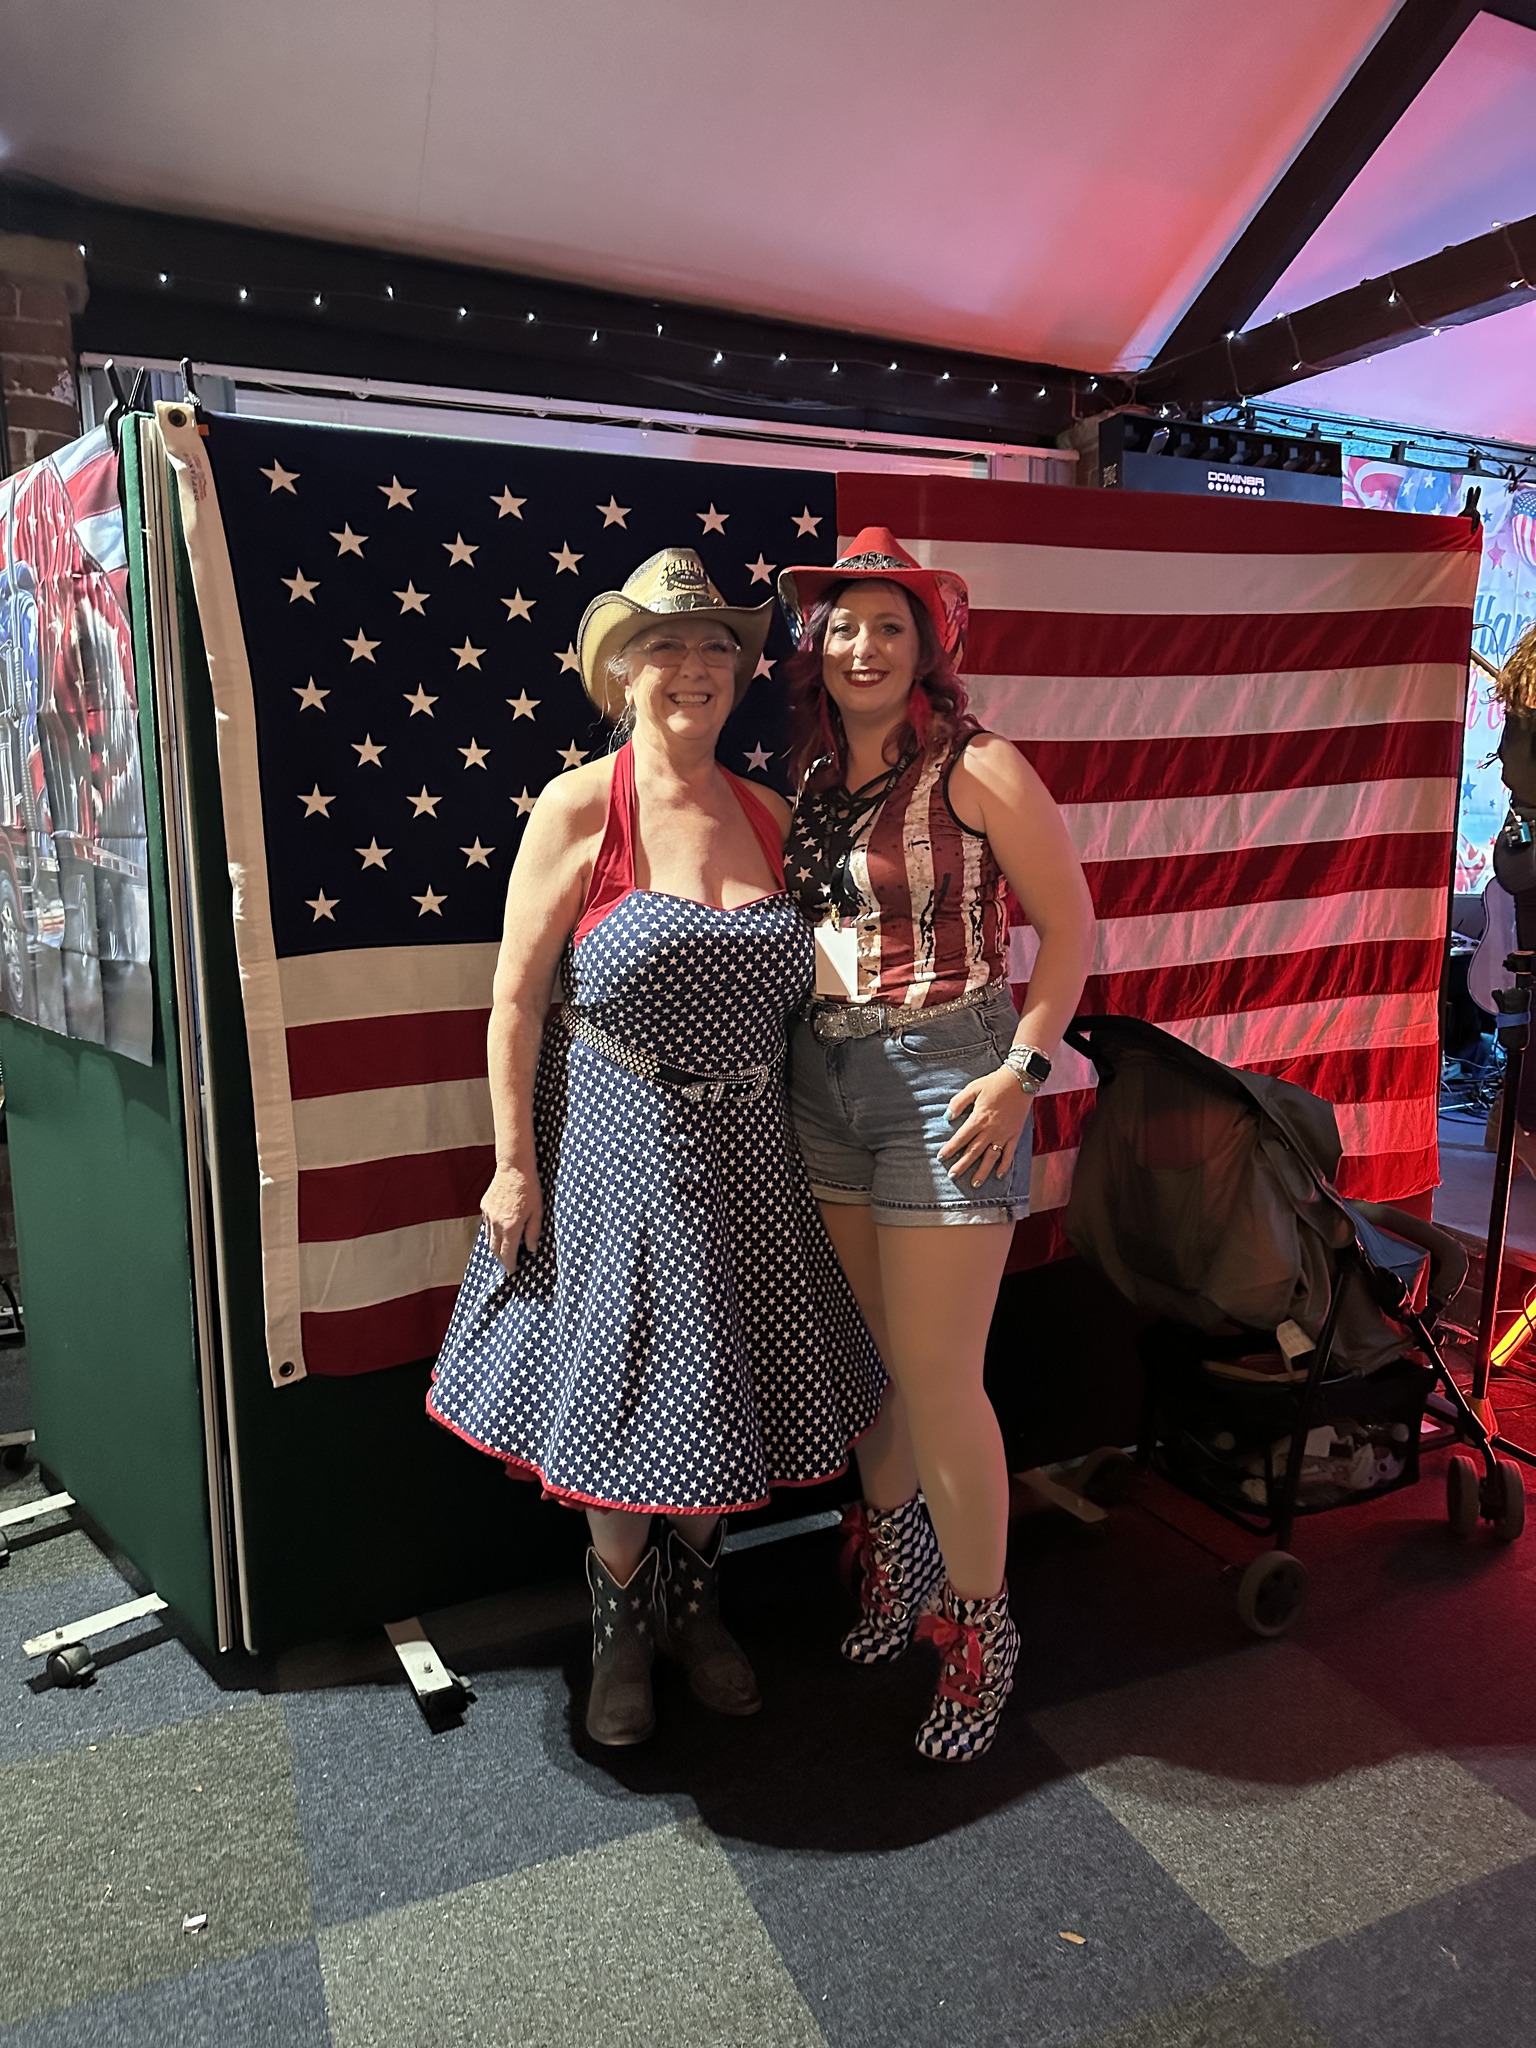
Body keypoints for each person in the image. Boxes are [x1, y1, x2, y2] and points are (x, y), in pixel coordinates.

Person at [427, 548, 883, 1748]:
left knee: (720, 1378)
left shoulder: (772, 814)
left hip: (754, 1148)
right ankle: (620, 1632)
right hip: (619, 1145)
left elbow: (829, 988)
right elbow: (515, 1000)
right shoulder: (581, 806)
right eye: (665, 645)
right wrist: (512, 1163)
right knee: (631, 1386)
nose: (693, 666)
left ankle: (697, 1609)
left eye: (715, 645)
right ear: (621, 671)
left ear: (740, 669)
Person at [777, 528, 1096, 1762]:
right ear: (818, 644)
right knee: (878, 1359)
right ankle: (899, 1566)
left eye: (888, 626)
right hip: (825, 1074)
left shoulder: (980, 765)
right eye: (844, 625)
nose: (862, 646)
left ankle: (980, 1625)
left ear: (927, 647)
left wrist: (1022, 1070)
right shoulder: (812, 778)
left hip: (947, 1071)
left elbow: (1069, 927)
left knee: (940, 1369)